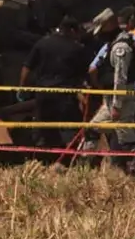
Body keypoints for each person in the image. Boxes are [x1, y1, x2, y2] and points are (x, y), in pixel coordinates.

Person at [82, 21, 135, 169]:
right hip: (119, 96)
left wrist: (116, 104)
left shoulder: (120, 47)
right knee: (93, 128)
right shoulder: (122, 43)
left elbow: (120, 78)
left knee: (126, 136)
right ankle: (88, 165)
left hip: (121, 97)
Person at [18, 16, 93, 153]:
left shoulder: (42, 43)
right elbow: (85, 74)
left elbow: (26, 67)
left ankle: (44, 156)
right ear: (72, 31)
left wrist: (22, 88)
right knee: (68, 127)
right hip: (65, 94)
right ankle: (67, 157)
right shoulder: (77, 48)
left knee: (44, 126)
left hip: (43, 93)